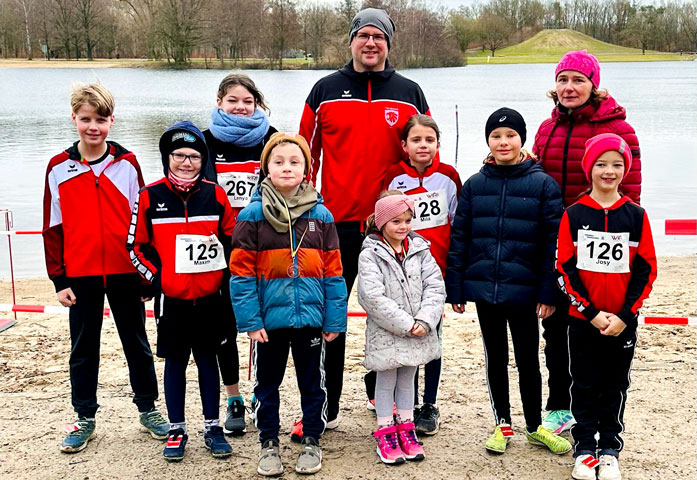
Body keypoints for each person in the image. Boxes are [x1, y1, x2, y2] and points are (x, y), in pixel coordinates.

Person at [298, 7, 434, 434]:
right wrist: (306, 206)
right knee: (330, 317)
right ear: (352, 40)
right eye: (364, 35)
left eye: (379, 36)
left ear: (389, 44)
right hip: (335, 225)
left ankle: (387, 397)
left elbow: (422, 152)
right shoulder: (324, 90)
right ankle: (326, 406)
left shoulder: (409, 91)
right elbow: (305, 155)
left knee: (393, 313)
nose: (371, 43)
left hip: (391, 227)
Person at [42, 82, 167, 453]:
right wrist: (58, 278)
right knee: (83, 347)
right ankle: (84, 417)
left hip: (125, 270)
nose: (92, 127)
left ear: (111, 121)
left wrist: (149, 272)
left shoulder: (126, 162)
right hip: (80, 273)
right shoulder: (58, 167)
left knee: (136, 342)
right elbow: (52, 226)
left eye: (100, 119)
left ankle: (148, 409)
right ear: (74, 119)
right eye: (85, 119)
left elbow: (143, 220)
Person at [446, 108, 570, 455]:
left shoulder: (543, 184)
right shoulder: (475, 184)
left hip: (526, 291)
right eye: (496, 136)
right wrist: (455, 288)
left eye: (510, 135)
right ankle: (502, 423)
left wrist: (548, 291)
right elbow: (460, 239)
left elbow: (552, 244)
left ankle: (534, 426)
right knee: (496, 357)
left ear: (522, 140)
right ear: (488, 141)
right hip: (486, 289)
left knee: (529, 358)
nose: (503, 142)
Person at [532, 50, 642, 434]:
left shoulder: (618, 129)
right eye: (563, 80)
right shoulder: (548, 128)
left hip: (599, 247)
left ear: (593, 84)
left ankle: (597, 411)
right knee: (554, 327)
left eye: (578, 80)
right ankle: (559, 405)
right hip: (554, 240)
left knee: (595, 328)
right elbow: (536, 176)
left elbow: (632, 198)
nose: (569, 87)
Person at [228, 132, 347, 476]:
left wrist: (334, 320)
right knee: (267, 383)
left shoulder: (321, 215)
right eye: (278, 162)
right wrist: (250, 321)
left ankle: (311, 438)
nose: (286, 168)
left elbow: (334, 272)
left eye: (295, 162)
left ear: (307, 169)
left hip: (311, 317)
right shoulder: (252, 215)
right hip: (269, 321)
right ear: (266, 167)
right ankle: (268, 443)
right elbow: (240, 273)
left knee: (312, 383)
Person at [127, 121, 235, 461]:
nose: (186, 162)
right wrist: (158, 279)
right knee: (174, 363)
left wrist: (226, 274)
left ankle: (213, 426)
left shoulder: (215, 194)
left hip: (209, 297)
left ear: (203, 161)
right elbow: (135, 246)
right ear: (167, 157)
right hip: (171, 299)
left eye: (194, 156)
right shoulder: (150, 196)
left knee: (207, 361)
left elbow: (232, 239)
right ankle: (176, 429)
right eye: (178, 155)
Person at [557, 133, 656, 480]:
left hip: (622, 322)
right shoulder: (573, 214)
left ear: (625, 169)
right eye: (601, 164)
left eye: (616, 164)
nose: (609, 171)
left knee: (615, 384)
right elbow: (565, 269)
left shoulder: (636, 216)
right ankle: (585, 448)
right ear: (589, 169)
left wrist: (625, 316)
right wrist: (591, 313)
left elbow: (646, 270)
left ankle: (610, 448)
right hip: (584, 319)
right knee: (583, 383)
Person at [204, 73, 278, 436]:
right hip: (220, 248)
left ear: (257, 105)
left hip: (265, 246)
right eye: (232, 100)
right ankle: (233, 396)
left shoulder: (272, 139)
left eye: (247, 101)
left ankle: (262, 395)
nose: (240, 107)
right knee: (225, 327)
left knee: (264, 325)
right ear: (220, 103)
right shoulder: (203, 142)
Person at [379, 114, 462, 435]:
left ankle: (429, 404)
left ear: (438, 144)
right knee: (401, 336)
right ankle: (405, 404)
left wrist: (454, 278)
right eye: (416, 140)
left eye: (429, 140)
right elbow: (384, 224)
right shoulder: (393, 176)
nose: (423, 145)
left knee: (431, 340)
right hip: (400, 274)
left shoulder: (449, 177)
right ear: (404, 146)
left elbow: (458, 227)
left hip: (434, 275)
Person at [357, 190, 445, 464]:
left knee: (408, 379)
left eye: (407, 220)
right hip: (388, 331)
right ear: (382, 222)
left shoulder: (420, 249)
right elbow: (371, 296)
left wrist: (425, 320)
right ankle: (385, 431)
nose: (403, 226)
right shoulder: (370, 253)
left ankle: (406, 428)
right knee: (386, 381)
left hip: (418, 328)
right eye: (396, 221)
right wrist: (406, 324)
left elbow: (435, 285)